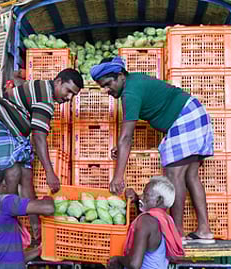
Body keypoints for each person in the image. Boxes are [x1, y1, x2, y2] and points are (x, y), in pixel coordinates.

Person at [90, 57, 215, 243]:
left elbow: (126, 138)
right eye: (103, 87)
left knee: (175, 177)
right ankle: (204, 230)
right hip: (194, 112)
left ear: (120, 76)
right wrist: (121, 146)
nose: (107, 90)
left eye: (109, 84)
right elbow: (124, 138)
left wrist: (117, 177)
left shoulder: (129, 93)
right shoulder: (134, 82)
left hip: (184, 118)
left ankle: (177, 233)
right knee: (190, 176)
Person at [0, 68, 83, 243]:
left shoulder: (42, 88)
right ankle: (5, 227)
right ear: (59, 82)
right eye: (68, 91)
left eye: (73, 95)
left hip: (14, 133)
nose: (69, 98)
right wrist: (49, 173)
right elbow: (39, 138)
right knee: (12, 173)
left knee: (26, 174)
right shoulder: (45, 99)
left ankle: (35, 230)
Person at [0, 166, 55, 269]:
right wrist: (49, 197)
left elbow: (12, 259)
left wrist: (39, 250)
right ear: (4, 184)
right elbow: (48, 208)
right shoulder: (3, 202)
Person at [108, 176, 184, 269]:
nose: (141, 198)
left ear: (158, 200)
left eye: (146, 194)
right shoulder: (167, 220)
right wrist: (136, 200)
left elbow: (134, 264)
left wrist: (118, 259)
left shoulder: (146, 221)